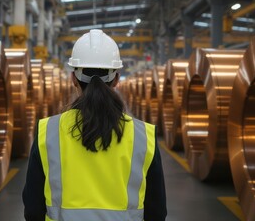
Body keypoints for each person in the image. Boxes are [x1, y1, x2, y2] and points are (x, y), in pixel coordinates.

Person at [22, 29, 167, 221]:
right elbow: (156, 212)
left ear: (73, 78)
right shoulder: (143, 136)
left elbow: (33, 210)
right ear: (116, 79)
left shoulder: (47, 132)